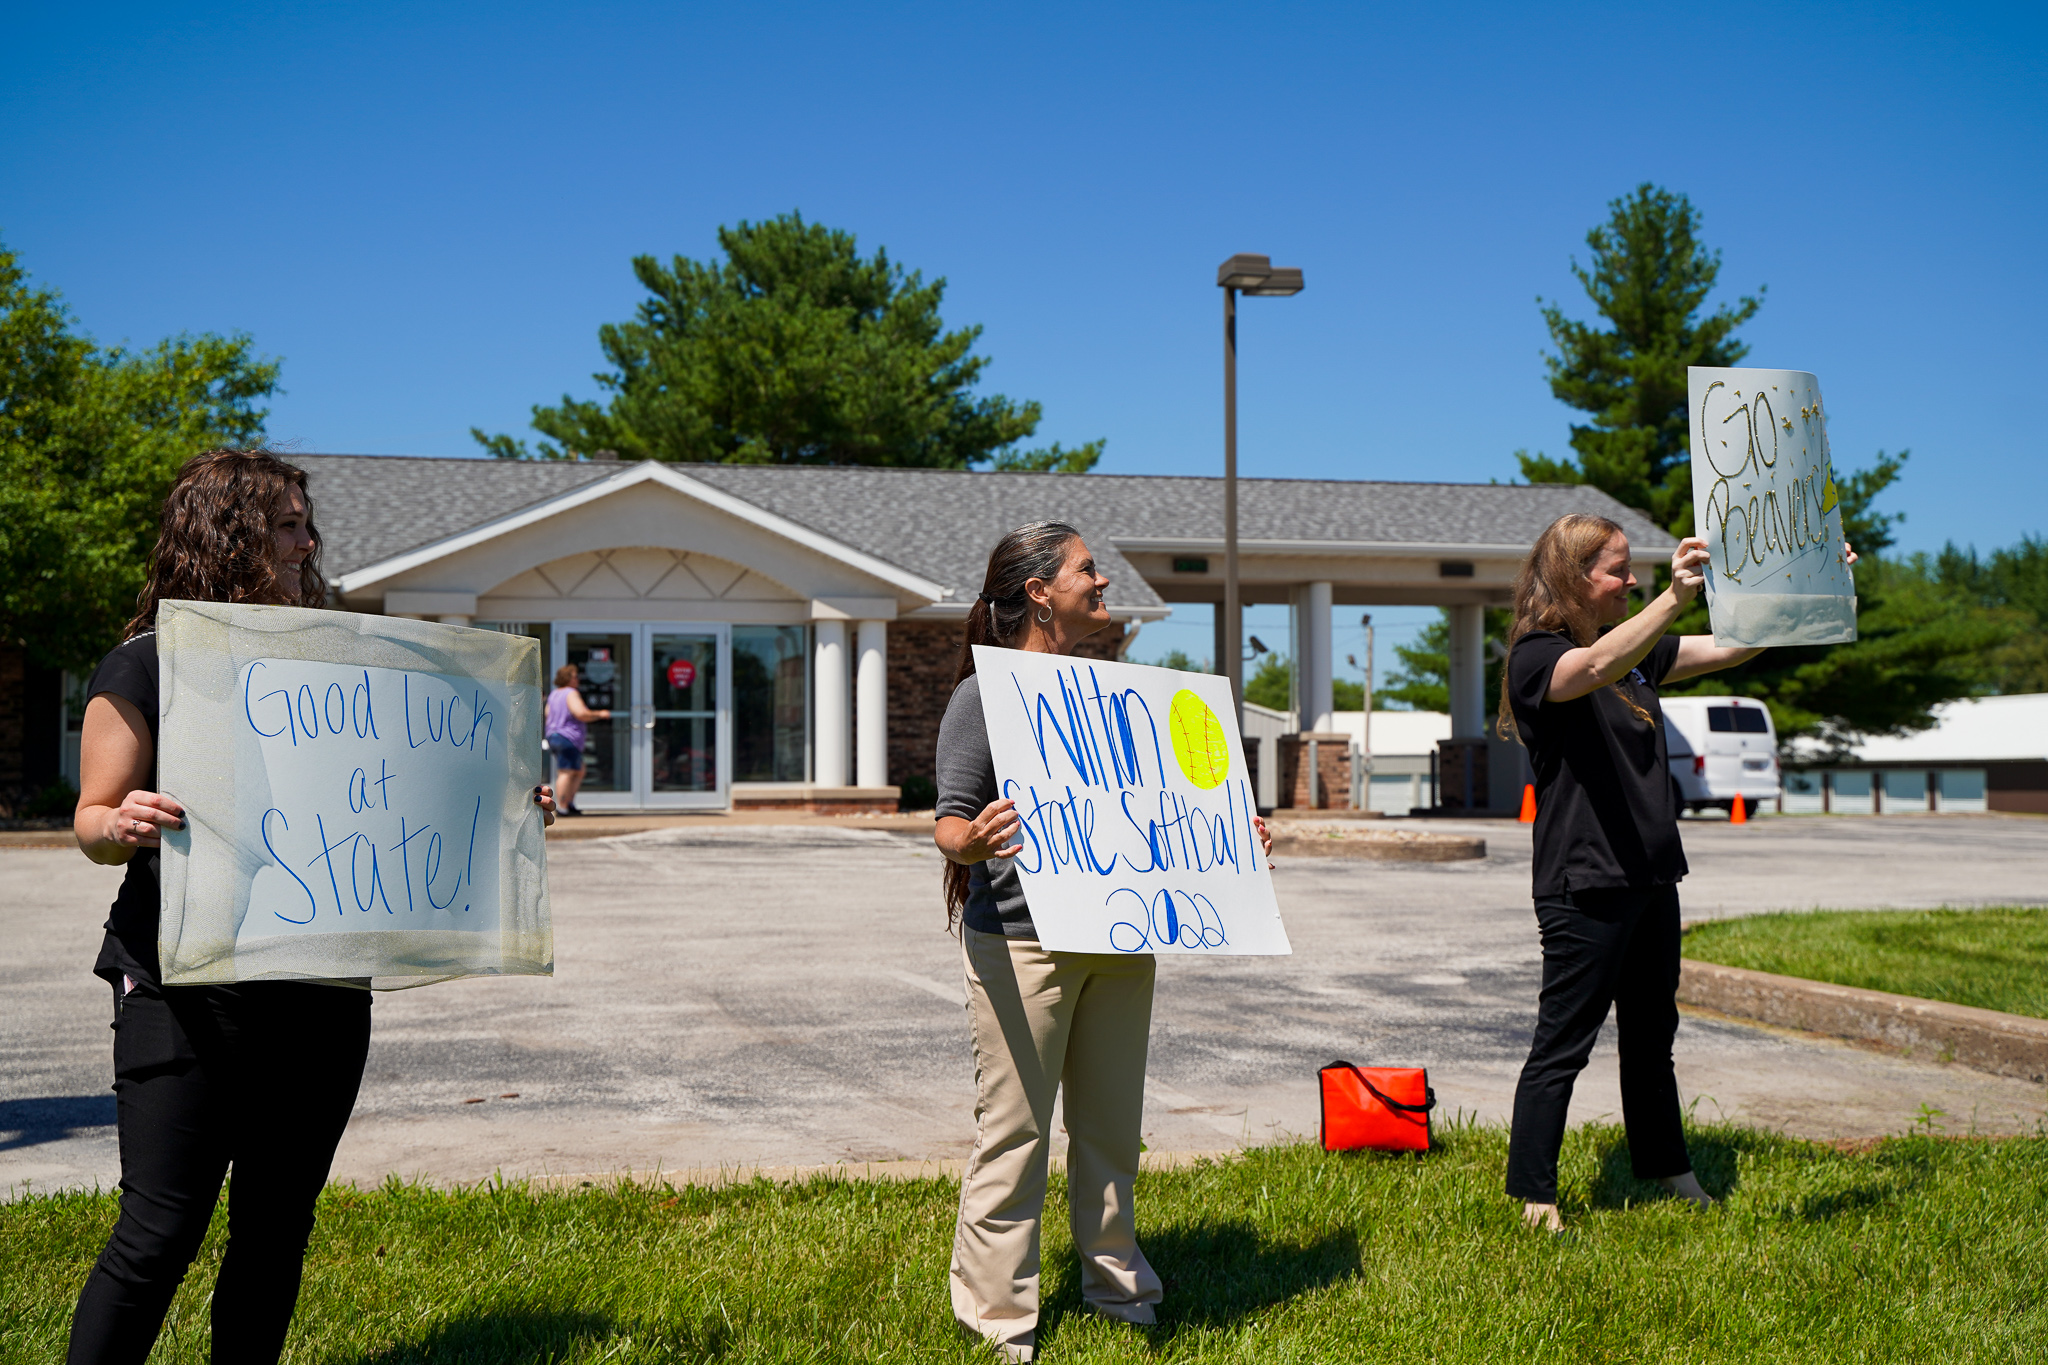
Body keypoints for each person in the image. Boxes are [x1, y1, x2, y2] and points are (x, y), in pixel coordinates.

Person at [65, 449, 558, 1365]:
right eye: (286, 524)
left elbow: (401, 783)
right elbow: (92, 820)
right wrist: (117, 819)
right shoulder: (147, 664)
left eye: (305, 523)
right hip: (185, 988)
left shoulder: (339, 665)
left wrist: (499, 806)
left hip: (324, 986)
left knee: (276, 1226)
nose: (307, 540)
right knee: (160, 1231)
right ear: (229, 534)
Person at [934, 521, 1270, 1361]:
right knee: (1017, 1133)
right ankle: (998, 1318)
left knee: (1113, 1128)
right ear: (1040, 590)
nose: (1104, 584)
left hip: (1120, 941)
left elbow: (1165, 812)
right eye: (1090, 570)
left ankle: (1120, 1292)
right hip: (1022, 944)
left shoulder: (1119, 695)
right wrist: (970, 843)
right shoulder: (986, 694)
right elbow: (947, 823)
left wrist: (1232, 832)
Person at [1498, 512, 1854, 1232]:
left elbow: (1732, 647)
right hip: (1586, 880)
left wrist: (1816, 583)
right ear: (1575, 577)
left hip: (1651, 875)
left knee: (1652, 1034)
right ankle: (1535, 1193)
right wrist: (1673, 597)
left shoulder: (1636, 656)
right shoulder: (1537, 656)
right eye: (1618, 569)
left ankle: (1668, 1169)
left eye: (1635, 569)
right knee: (1563, 1041)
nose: (1632, 580)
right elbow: (1587, 670)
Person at [544, 663, 610, 815]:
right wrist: (600, 714)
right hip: (567, 737)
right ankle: (562, 807)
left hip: (555, 736)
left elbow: (548, 714)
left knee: (579, 769)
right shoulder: (571, 693)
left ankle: (569, 802)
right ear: (567, 678)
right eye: (574, 676)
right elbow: (580, 713)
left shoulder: (554, 694)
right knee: (566, 772)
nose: (578, 679)